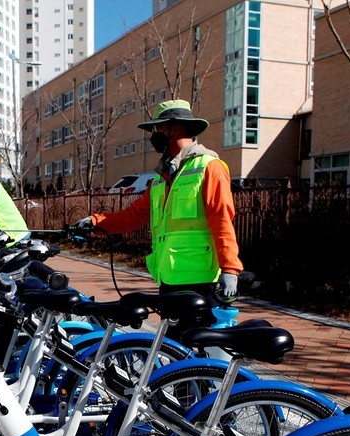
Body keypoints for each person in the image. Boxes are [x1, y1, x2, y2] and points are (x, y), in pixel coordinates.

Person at [75, 99, 242, 305]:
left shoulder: (209, 167)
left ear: (176, 127)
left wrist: (230, 269)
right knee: (169, 338)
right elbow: (133, 216)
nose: (154, 134)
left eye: (158, 128)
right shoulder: (160, 178)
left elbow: (222, 219)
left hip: (201, 280)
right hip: (169, 277)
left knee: (199, 338)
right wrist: (95, 222)